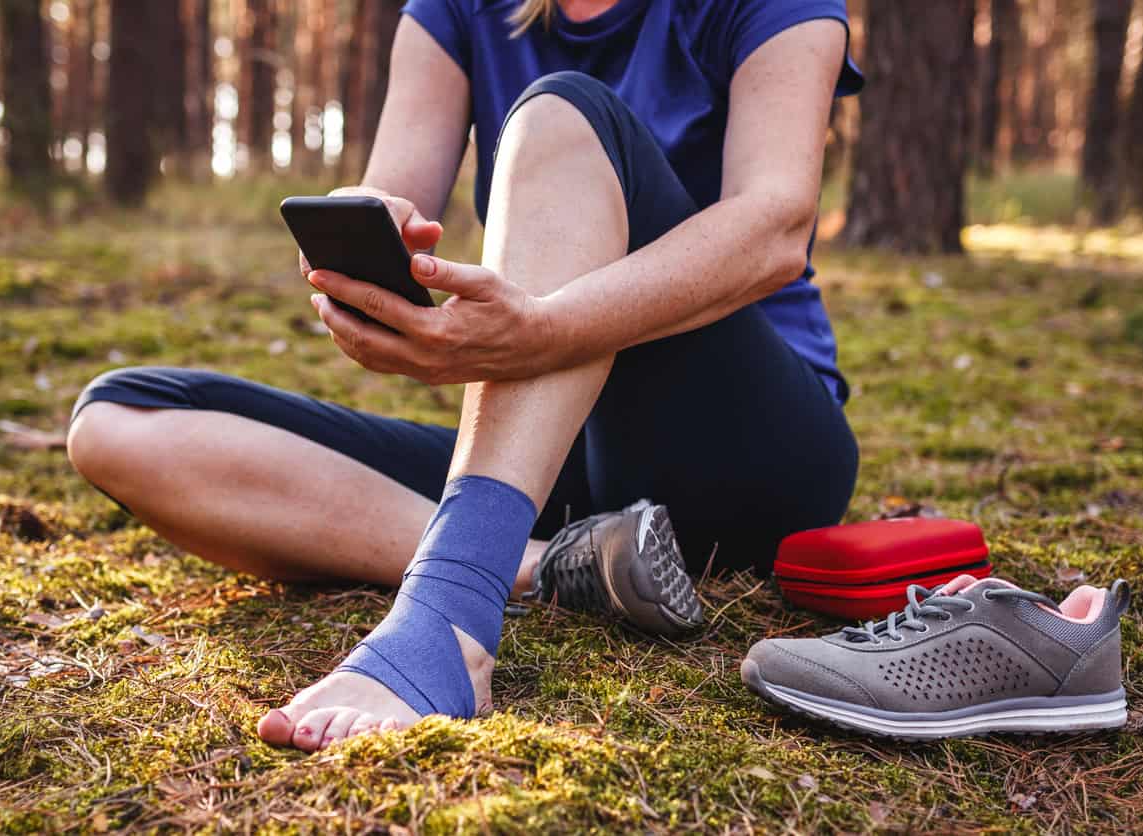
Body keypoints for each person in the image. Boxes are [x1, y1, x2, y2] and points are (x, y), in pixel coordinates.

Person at [66, 0, 862, 752]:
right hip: (560, 457)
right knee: (119, 423)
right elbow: (390, 195)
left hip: (747, 446)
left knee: (561, 115)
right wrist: (367, 245)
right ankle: (555, 564)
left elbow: (777, 225)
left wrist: (544, 331)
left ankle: (449, 612)